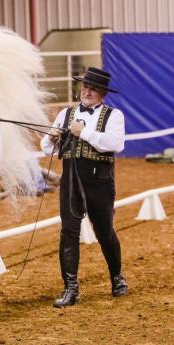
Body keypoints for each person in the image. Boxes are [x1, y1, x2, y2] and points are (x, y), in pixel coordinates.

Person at [41, 67, 128, 308]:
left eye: (94, 89)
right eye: (85, 87)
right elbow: (47, 149)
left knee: (104, 231)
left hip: (99, 181)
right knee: (68, 231)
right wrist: (51, 138)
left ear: (102, 93)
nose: (87, 92)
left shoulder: (114, 116)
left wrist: (84, 132)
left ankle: (117, 276)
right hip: (70, 179)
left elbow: (114, 144)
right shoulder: (65, 114)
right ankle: (70, 288)